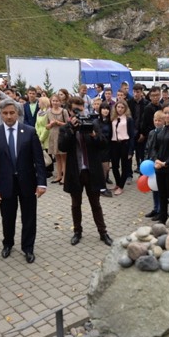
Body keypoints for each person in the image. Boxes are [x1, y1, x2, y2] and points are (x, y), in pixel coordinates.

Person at [0, 98, 47, 263]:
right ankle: (8, 243)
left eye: (12, 113)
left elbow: (38, 160)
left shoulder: (29, 131)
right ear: (1, 114)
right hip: (5, 183)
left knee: (29, 217)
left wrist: (41, 183)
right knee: (7, 217)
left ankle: (28, 247)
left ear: (17, 113)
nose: (8, 116)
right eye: (5, 113)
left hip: (27, 182)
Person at [59, 97, 113, 246]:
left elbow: (104, 144)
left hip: (92, 171)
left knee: (96, 204)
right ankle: (77, 232)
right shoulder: (66, 128)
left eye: (81, 109)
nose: (78, 112)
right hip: (75, 172)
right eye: (75, 109)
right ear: (70, 111)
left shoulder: (93, 124)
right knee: (76, 204)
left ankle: (103, 233)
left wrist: (94, 135)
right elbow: (62, 147)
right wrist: (71, 129)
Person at [109, 100, 135, 196]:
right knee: (115, 166)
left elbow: (132, 135)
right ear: (115, 108)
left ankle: (121, 186)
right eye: (118, 107)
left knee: (125, 166)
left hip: (125, 144)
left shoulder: (129, 119)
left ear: (125, 108)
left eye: (122, 107)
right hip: (114, 144)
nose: (120, 109)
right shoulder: (113, 118)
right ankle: (118, 183)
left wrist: (131, 151)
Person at [144, 110, 165, 219]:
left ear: (164, 121)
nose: (157, 122)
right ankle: (155, 208)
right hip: (150, 163)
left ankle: (161, 210)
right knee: (153, 187)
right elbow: (148, 147)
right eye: (155, 120)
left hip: (159, 163)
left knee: (160, 188)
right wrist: (145, 160)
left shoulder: (164, 133)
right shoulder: (151, 132)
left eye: (159, 120)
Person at [46, 95, 69, 184]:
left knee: (63, 158)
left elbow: (68, 124)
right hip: (53, 135)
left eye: (57, 101)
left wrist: (58, 123)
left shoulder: (64, 111)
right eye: (53, 101)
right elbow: (47, 126)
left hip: (62, 136)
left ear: (60, 102)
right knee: (57, 157)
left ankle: (65, 177)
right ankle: (58, 176)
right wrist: (51, 124)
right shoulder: (48, 111)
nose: (55, 102)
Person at [98, 102, 114, 197]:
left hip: (107, 147)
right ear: (100, 110)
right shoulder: (96, 121)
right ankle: (101, 187)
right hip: (99, 147)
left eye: (107, 109)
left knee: (106, 168)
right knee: (102, 168)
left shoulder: (110, 121)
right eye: (104, 109)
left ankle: (102, 186)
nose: (106, 110)